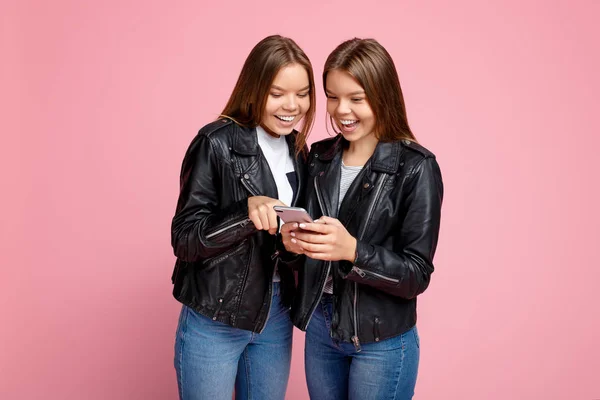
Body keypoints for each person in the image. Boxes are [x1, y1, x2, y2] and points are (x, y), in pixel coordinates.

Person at [281, 38, 443, 400]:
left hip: (381, 338)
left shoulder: (416, 167)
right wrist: (292, 244)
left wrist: (353, 250)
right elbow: (304, 253)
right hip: (321, 327)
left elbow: (416, 274)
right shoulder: (319, 157)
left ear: (383, 95)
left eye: (356, 98)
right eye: (333, 97)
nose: (341, 110)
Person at [170, 35, 315, 400]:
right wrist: (245, 214)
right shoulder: (215, 142)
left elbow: (291, 247)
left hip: (276, 313)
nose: (292, 106)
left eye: (302, 93)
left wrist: (296, 244)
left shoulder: (300, 150)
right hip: (214, 317)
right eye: (278, 93)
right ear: (255, 88)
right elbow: (185, 238)